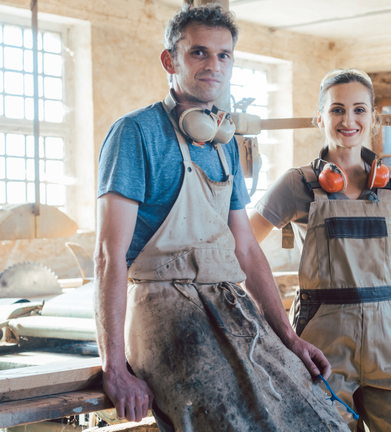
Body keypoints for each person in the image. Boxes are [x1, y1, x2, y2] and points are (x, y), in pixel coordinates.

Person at [93, 4, 347, 431]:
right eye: (198, 53)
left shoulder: (223, 142)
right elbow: (108, 254)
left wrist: (288, 337)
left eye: (223, 55)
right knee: (233, 422)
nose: (213, 65)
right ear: (169, 60)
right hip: (166, 310)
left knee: (318, 415)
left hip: (229, 303)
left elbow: (245, 247)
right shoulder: (135, 133)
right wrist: (113, 367)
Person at [249, 68, 391, 432]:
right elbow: (241, 246)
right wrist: (271, 324)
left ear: (374, 118)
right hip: (322, 343)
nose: (348, 120)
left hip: (390, 341)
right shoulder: (298, 183)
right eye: (336, 110)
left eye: (359, 110)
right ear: (320, 117)